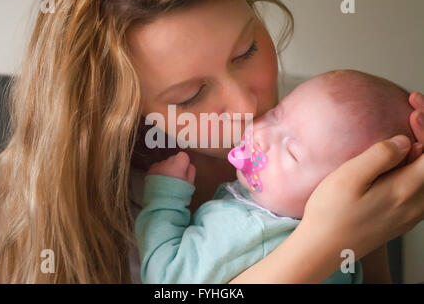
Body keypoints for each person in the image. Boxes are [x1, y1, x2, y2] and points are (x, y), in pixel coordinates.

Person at [0, 0, 424, 284]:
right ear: (118, 108)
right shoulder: (89, 204)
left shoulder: (316, 119)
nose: (247, 107)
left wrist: (388, 170)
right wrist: (324, 243)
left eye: (246, 51)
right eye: (191, 94)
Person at [134, 70, 415, 284]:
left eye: (292, 152)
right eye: (276, 115)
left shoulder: (247, 231)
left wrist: (165, 197)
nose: (262, 135)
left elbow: (166, 277)